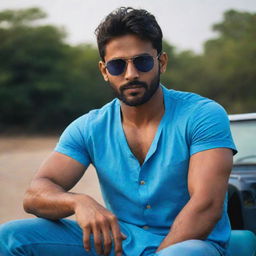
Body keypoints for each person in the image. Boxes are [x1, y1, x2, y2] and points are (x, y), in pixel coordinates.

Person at [0, 7, 237, 256]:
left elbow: (206, 206)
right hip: (120, 242)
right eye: (117, 66)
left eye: (142, 61)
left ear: (162, 62)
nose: (131, 74)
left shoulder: (202, 115)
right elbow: (35, 193)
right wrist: (78, 201)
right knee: (11, 237)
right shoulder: (89, 127)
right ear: (104, 71)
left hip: (192, 244)